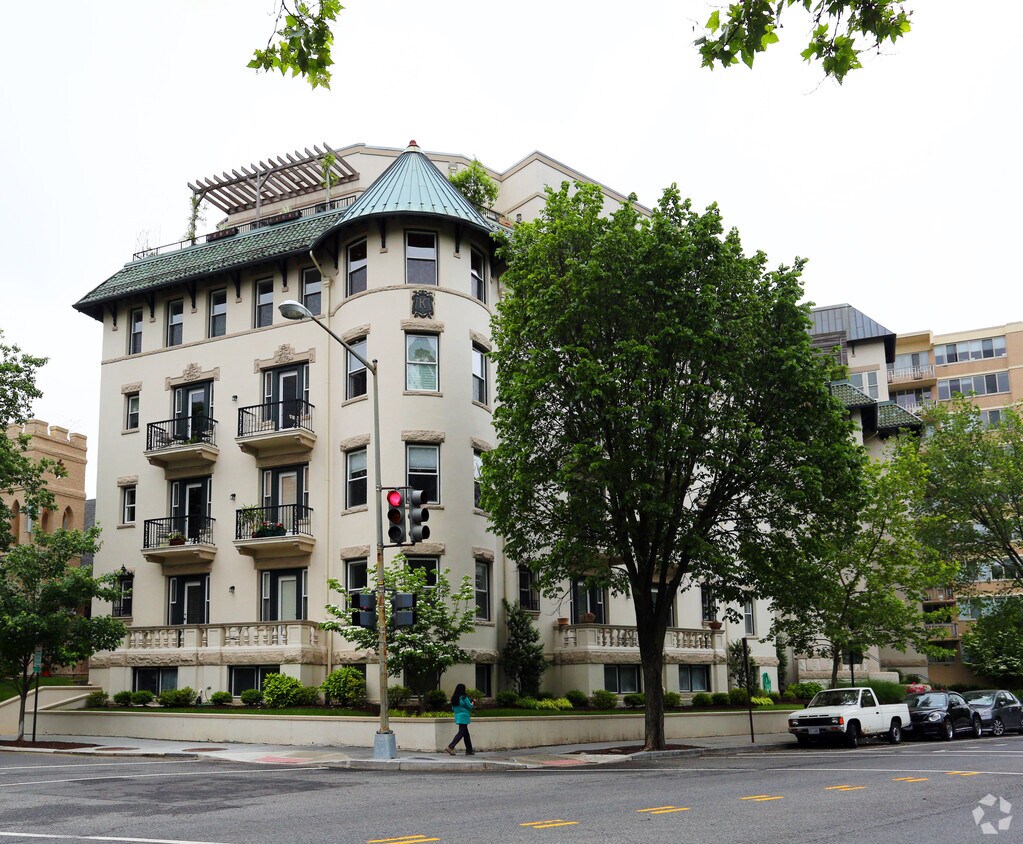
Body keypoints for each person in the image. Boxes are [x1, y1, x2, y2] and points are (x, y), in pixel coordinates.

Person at [444, 683, 474, 755]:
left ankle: (469, 750)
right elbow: (470, 706)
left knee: (466, 734)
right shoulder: (464, 697)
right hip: (464, 716)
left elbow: (453, 708)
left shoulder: (454, 698)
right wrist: (473, 702)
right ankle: (451, 747)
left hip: (458, 716)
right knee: (461, 733)